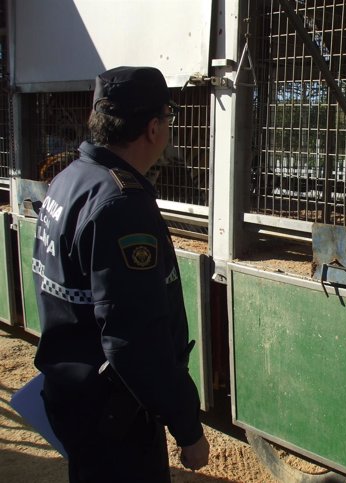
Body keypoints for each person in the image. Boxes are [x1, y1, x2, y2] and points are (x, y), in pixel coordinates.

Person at [32, 66, 210, 482]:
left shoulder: (69, 180)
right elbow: (134, 339)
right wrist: (187, 429)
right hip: (113, 414)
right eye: (168, 119)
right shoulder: (121, 204)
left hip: (72, 395)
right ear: (153, 128)